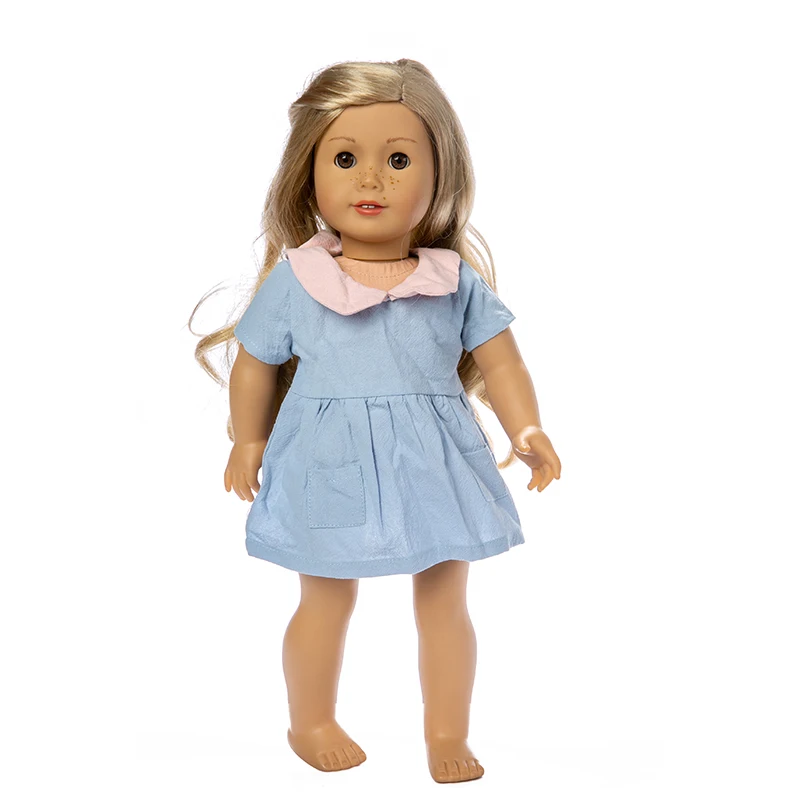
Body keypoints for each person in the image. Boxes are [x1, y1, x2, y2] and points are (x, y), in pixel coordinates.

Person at [190, 58, 561, 784]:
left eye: (397, 160)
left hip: (435, 461)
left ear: (440, 174)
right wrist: (247, 439)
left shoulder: (452, 281)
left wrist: (527, 429)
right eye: (345, 159)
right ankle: (311, 720)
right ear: (308, 174)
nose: (371, 179)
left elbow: (504, 363)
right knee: (326, 597)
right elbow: (255, 363)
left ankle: (447, 731)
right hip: (328, 460)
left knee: (445, 601)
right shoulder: (298, 279)